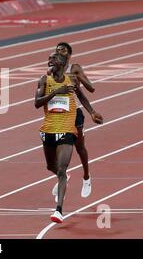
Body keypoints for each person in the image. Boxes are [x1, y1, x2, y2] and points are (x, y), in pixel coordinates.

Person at [35, 52, 103, 223]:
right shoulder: (44, 80)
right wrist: (56, 92)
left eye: (53, 59)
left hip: (67, 129)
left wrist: (92, 112)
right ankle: (64, 176)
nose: (49, 61)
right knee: (51, 166)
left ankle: (58, 210)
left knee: (61, 170)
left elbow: (81, 97)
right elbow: (37, 103)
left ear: (62, 63)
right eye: (49, 58)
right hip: (48, 130)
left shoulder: (71, 80)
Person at [53, 42, 96, 198]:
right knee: (59, 148)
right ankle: (62, 178)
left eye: (63, 50)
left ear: (69, 55)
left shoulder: (75, 68)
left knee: (79, 148)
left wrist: (78, 78)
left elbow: (90, 89)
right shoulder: (52, 70)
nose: (60, 52)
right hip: (59, 113)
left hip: (75, 113)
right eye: (57, 50)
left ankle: (86, 177)